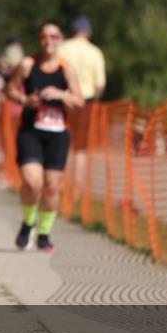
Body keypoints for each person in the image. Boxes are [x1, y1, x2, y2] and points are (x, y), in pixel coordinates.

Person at [5, 21, 84, 252]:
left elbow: (79, 101)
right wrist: (25, 100)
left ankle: (44, 233)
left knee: (51, 186)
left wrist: (61, 94)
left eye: (54, 36)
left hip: (58, 134)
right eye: (44, 37)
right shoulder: (28, 64)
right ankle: (28, 222)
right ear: (40, 40)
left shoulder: (66, 68)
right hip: (31, 131)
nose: (49, 41)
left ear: (60, 40)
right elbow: (9, 89)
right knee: (32, 182)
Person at [58, 15, 106, 199]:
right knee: (80, 146)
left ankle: (60, 181)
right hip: (86, 101)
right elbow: (100, 83)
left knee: (62, 141)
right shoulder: (94, 52)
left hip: (64, 99)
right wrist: (96, 98)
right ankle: (77, 186)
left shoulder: (63, 48)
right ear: (89, 32)